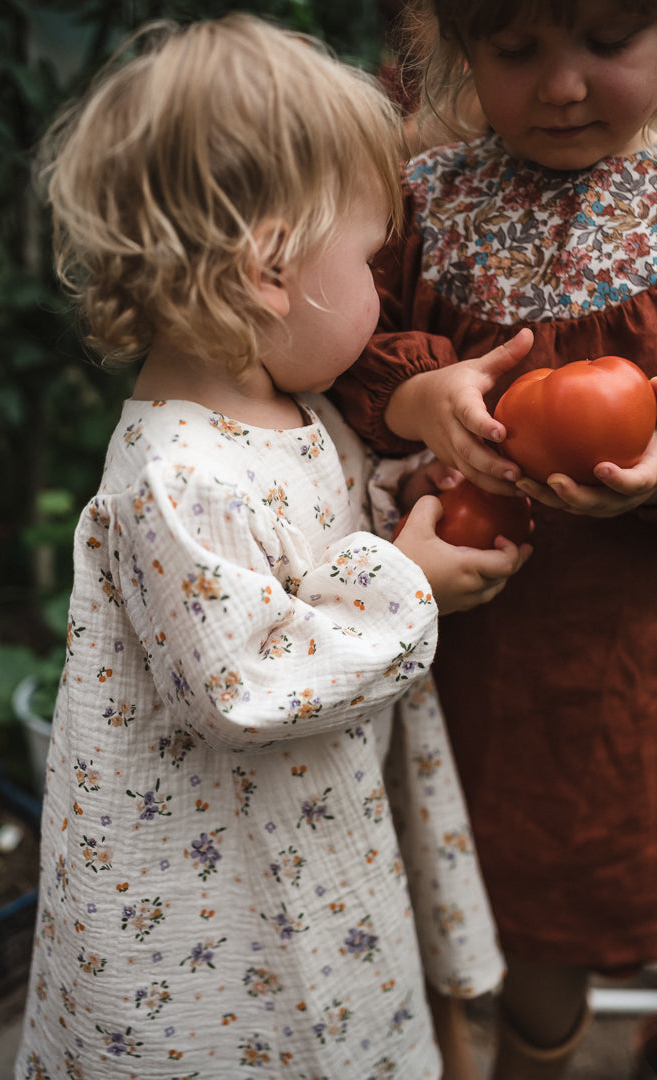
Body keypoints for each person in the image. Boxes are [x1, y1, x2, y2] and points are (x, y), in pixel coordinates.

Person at [13, 15, 532, 1079]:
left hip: (313, 846)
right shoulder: (174, 476)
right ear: (270, 267)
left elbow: (315, 538)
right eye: (369, 258)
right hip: (213, 913)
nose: (383, 285)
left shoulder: (288, 408)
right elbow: (243, 679)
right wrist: (408, 582)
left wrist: (405, 505)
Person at [331, 0, 657, 1076]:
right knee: (524, 875)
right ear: (462, 52)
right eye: (518, 51)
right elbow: (341, 344)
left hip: (633, 628)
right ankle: (534, 1058)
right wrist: (418, 397)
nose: (562, 85)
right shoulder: (420, 204)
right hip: (494, 642)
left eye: (606, 44)